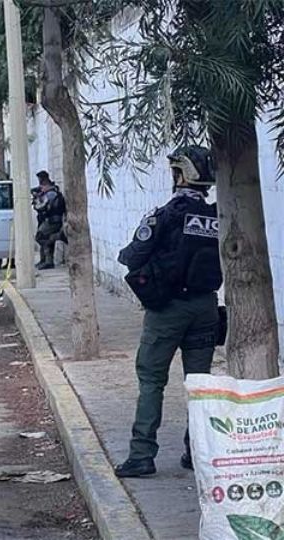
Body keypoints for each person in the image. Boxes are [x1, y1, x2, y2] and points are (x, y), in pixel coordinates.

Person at [114, 145, 223, 478]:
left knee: (151, 380)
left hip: (168, 310)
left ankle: (142, 455)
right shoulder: (219, 215)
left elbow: (132, 256)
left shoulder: (165, 215)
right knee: (200, 384)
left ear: (181, 175)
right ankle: (197, 452)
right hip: (206, 308)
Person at [32, 171, 66, 269]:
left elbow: (41, 206)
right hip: (47, 220)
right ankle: (45, 260)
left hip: (53, 221)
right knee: (44, 238)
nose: (41, 187)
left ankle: (58, 236)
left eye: (42, 184)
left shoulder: (51, 193)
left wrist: (38, 199)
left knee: (40, 237)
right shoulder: (48, 192)